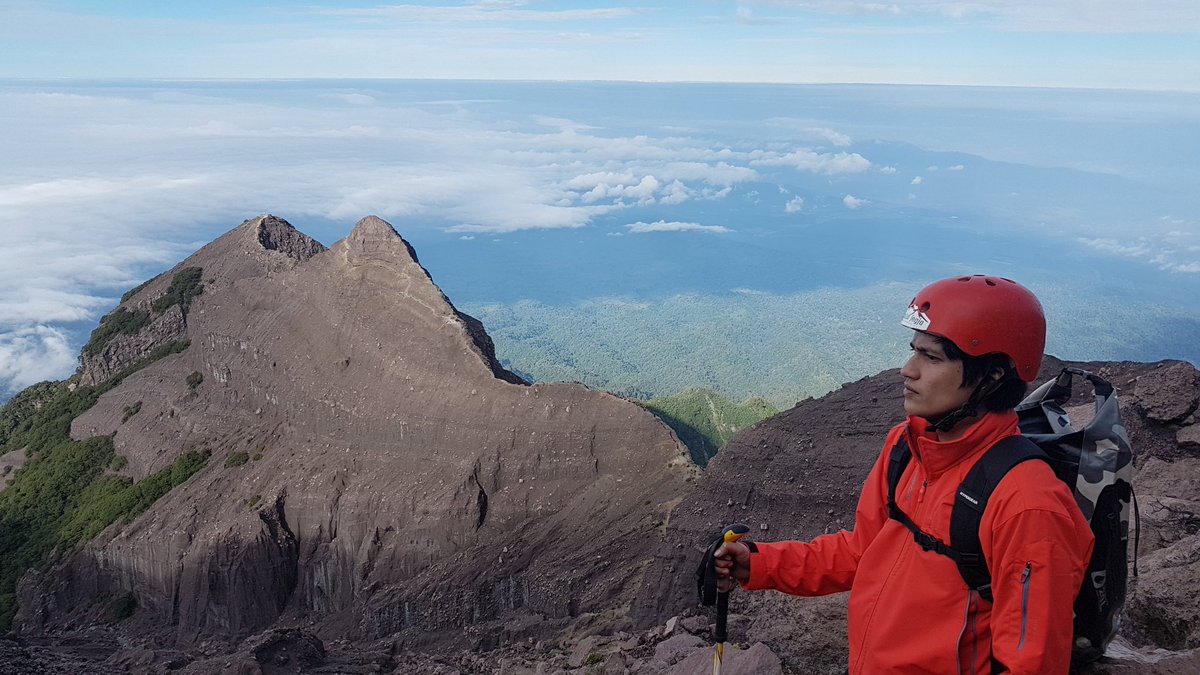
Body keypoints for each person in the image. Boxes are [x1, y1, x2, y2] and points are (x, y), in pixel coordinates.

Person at [714, 275, 1095, 674]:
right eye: (913, 351)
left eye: (931, 358)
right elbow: (861, 551)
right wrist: (757, 564)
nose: (907, 370)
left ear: (993, 375)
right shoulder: (907, 447)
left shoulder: (1027, 504)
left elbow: (1032, 663)